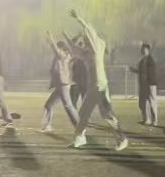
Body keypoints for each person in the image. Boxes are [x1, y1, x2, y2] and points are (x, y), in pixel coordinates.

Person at [65, 10, 128, 150]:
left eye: (86, 38)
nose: (85, 40)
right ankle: (79, 138)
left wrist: (79, 19)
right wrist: (65, 36)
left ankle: (122, 139)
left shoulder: (98, 46)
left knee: (107, 114)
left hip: (101, 86)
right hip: (92, 88)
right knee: (84, 113)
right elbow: (75, 49)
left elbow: (91, 33)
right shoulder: (87, 52)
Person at [41, 31, 79, 132]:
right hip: (61, 85)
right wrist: (50, 42)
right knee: (49, 104)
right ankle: (47, 125)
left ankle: (79, 125)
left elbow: (55, 49)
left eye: (58, 48)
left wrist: (51, 37)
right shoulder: (63, 57)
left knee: (68, 105)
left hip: (63, 84)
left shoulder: (63, 56)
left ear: (61, 48)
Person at [131, 43, 158, 126]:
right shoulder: (143, 60)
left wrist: (148, 83)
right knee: (143, 102)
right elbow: (142, 72)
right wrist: (135, 70)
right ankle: (147, 119)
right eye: (142, 49)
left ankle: (154, 120)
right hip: (144, 84)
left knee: (152, 101)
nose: (143, 51)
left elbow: (150, 73)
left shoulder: (150, 60)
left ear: (148, 50)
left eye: (144, 49)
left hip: (150, 84)